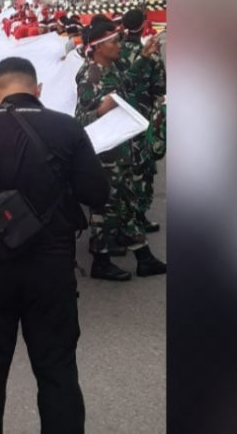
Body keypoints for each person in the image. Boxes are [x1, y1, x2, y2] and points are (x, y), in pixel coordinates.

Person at [0, 57, 109, 434]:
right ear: (38, 90)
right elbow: (97, 193)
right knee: (58, 371)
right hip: (52, 267)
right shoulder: (68, 128)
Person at [74, 21, 167, 281]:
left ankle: (144, 258)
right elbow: (79, 121)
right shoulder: (90, 76)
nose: (119, 46)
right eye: (114, 42)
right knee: (105, 208)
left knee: (126, 204)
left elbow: (125, 85)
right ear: (98, 48)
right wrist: (99, 111)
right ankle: (101, 261)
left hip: (120, 152)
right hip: (105, 156)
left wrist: (144, 58)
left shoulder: (110, 68)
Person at [119, 9, 166, 234]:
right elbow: (160, 91)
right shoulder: (151, 57)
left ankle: (121, 219)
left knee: (121, 171)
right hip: (143, 123)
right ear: (144, 24)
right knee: (144, 171)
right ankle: (139, 217)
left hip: (117, 123)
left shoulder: (113, 53)